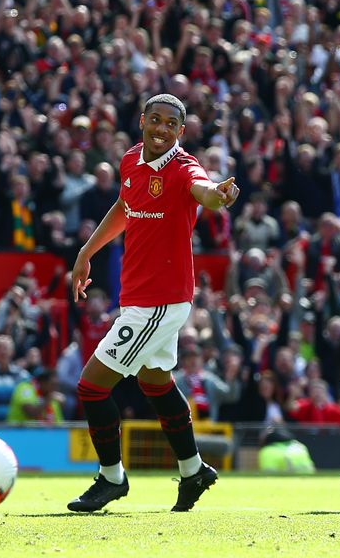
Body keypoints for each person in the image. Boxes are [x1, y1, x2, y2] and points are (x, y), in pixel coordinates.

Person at [66, 94, 240, 513]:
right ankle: (194, 469)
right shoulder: (130, 161)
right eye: (155, 120)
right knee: (155, 383)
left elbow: (204, 192)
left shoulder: (183, 169)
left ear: (181, 132)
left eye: (171, 124)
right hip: (138, 298)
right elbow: (126, 207)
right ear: (142, 120)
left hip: (160, 302)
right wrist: (86, 252)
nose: (162, 129)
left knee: (92, 387)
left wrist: (217, 195)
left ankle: (112, 479)